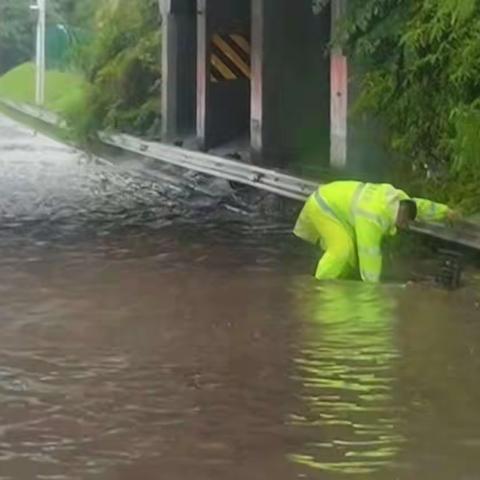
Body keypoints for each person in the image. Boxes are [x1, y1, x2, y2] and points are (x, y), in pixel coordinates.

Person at [293, 181, 457, 283]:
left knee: (349, 260)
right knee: (342, 250)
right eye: (405, 221)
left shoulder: (398, 201)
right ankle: (319, 286)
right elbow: (369, 254)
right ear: (400, 214)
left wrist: (445, 212)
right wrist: (372, 293)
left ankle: (338, 284)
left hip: (334, 203)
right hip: (323, 206)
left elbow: (419, 207)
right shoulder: (372, 217)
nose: (406, 226)